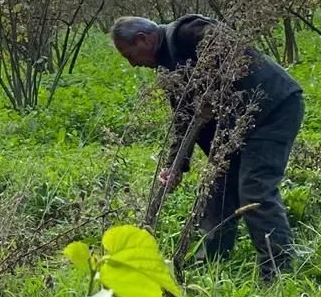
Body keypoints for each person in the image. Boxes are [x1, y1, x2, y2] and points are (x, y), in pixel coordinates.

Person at [111, 14, 304, 279]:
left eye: (129, 55)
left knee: (255, 189)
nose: (132, 64)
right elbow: (183, 119)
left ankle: (277, 272)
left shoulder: (187, 32)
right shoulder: (169, 67)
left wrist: (212, 88)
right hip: (236, 125)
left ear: (143, 39)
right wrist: (175, 166)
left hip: (272, 110)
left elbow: (233, 53)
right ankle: (209, 265)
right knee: (216, 188)